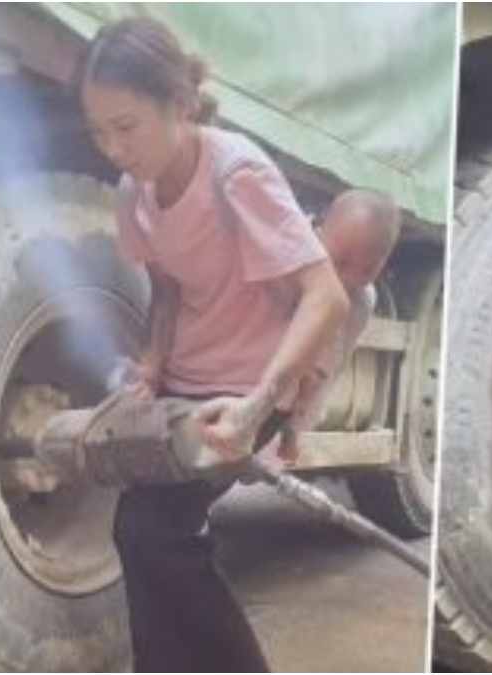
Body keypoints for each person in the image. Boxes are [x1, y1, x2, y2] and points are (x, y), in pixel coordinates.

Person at [78, 17, 349, 672]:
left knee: (157, 534)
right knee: (138, 532)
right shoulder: (133, 193)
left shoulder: (237, 173)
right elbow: (168, 290)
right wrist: (150, 364)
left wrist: (260, 404)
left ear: (180, 103)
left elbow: (328, 296)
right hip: (188, 387)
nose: (114, 148)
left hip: (255, 385)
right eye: (98, 132)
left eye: (127, 126)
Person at [275, 189, 402, 463]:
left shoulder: (361, 301)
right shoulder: (284, 251)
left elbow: (330, 371)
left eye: (367, 270)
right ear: (318, 233)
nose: (349, 278)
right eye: (341, 262)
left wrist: (296, 430)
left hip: (276, 407)